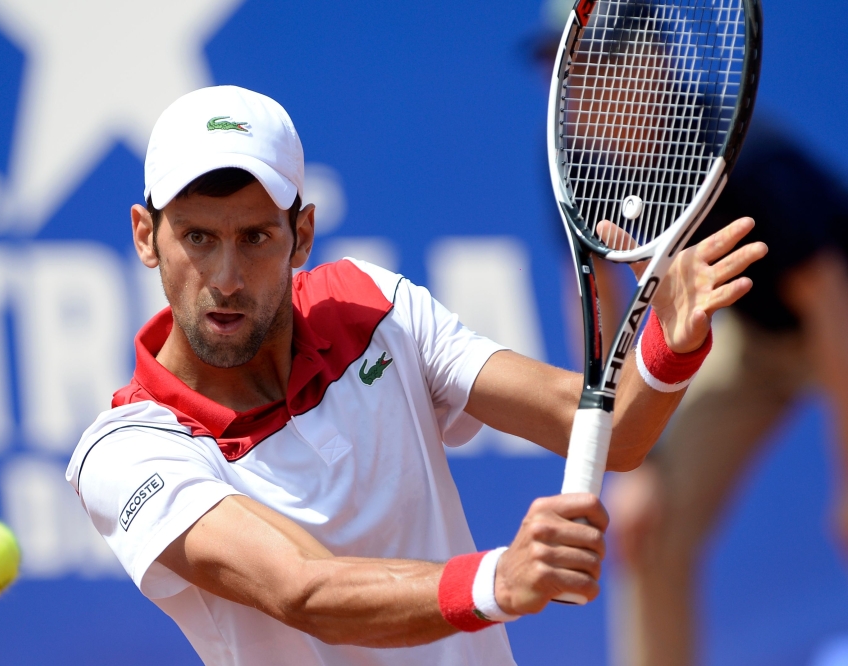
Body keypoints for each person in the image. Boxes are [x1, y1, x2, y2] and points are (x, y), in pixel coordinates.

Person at [64, 85, 764, 665]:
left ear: (300, 235)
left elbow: (613, 438)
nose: (225, 277)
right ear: (144, 236)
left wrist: (668, 347)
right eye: (196, 238)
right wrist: (498, 580)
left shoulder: (375, 307)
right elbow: (303, 589)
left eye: (255, 237)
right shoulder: (127, 451)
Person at [605, 125, 848, 666]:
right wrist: (629, 463)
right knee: (650, 523)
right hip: (754, 340)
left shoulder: (745, 157)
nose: (578, 86)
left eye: (600, 63)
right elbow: (599, 306)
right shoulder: (574, 158)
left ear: (650, 63)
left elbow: (830, 304)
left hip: (837, 324)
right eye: (559, 67)